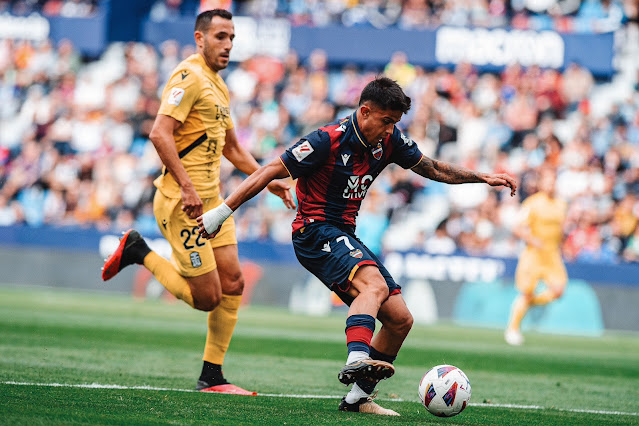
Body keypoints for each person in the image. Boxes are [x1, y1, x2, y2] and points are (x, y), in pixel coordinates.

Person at [197, 76, 517, 415]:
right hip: (313, 231)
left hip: (345, 235)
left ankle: (357, 399)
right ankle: (356, 357)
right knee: (373, 285)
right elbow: (268, 172)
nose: (391, 129)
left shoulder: (389, 140)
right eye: (386, 121)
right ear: (365, 112)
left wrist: (482, 177)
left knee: (400, 320)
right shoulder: (326, 140)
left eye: (396, 122)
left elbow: (434, 168)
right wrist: (219, 214)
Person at [101, 9, 294, 395]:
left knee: (234, 282)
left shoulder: (219, 86)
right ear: (200, 38)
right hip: (181, 203)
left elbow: (234, 149)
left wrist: (266, 179)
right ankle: (139, 251)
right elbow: (159, 134)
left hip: (213, 203)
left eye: (232, 38)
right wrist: (188, 188)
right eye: (220, 37)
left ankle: (212, 376)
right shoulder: (188, 77)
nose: (228, 45)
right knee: (208, 298)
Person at [505, 167, 567, 346]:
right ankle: (513, 329)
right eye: (548, 181)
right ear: (541, 184)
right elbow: (517, 228)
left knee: (558, 291)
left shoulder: (561, 204)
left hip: (553, 254)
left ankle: (529, 302)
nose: (551, 184)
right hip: (533, 254)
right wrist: (532, 240)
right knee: (526, 291)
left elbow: (560, 229)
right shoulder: (532, 203)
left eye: (553, 181)